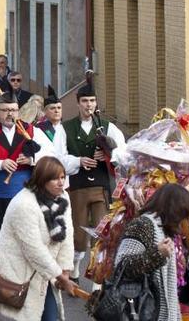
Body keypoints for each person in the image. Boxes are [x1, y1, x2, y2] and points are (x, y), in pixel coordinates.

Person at [0, 92, 77, 299]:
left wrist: (32, 159)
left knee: (26, 238)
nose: (10, 114)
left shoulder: (31, 131)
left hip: (26, 196)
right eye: (6, 110)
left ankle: (22, 279)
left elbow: (49, 154)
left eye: (14, 110)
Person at [0, 157, 76, 321]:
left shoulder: (63, 197)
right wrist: (60, 276)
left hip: (47, 271)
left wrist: (65, 269)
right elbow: (34, 249)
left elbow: (67, 234)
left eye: (62, 177)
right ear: (42, 179)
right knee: (29, 316)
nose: (61, 183)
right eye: (55, 178)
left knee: (50, 317)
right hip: (21, 271)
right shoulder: (24, 204)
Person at [63, 81, 126, 282]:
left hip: (101, 186)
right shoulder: (66, 128)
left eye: (92, 100)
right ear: (78, 103)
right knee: (80, 233)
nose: (88, 105)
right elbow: (59, 156)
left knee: (102, 230)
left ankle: (99, 276)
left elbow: (122, 153)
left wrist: (107, 155)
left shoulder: (107, 127)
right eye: (84, 101)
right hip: (78, 186)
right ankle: (74, 268)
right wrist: (78, 161)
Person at [111, 183, 189, 321]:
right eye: (182, 216)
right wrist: (157, 254)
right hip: (139, 310)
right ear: (174, 210)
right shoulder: (142, 225)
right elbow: (122, 267)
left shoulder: (164, 230)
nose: (183, 222)